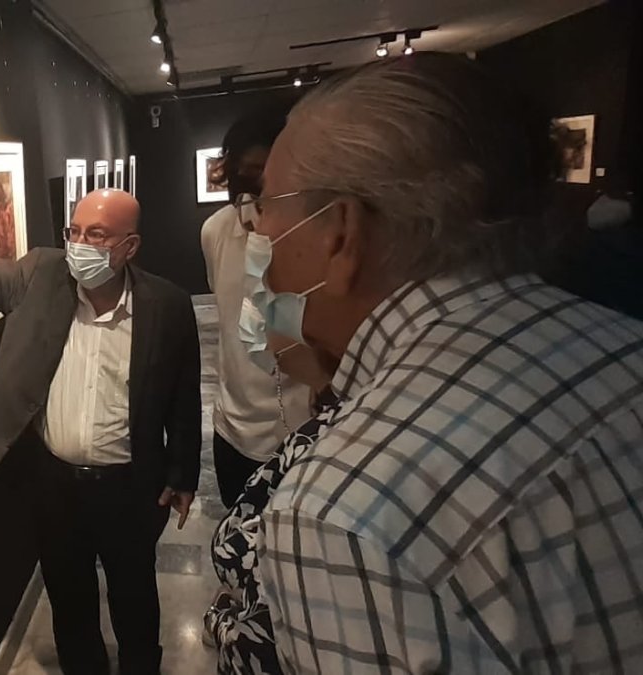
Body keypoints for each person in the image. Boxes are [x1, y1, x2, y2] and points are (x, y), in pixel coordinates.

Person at [238, 52, 643, 673]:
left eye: (266, 206)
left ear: (339, 234)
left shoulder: (341, 508)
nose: (257, 234)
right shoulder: (621, 342)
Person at [0, 190, 200, 675]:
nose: (79, 246)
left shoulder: (166, 305)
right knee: (69, 601)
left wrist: (183, 471)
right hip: (56, 486)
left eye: (97, 235)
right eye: (75, 232)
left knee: (134, 600)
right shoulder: (42, 275)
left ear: (130, 247)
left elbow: (183, 393)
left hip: (130, 488)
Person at [201, 121, 311, 508]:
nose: (257, 192)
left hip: (305, 430)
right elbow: (233, 325)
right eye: (245, 175)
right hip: (233, 430)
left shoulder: (315, 236)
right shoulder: (216, 231)